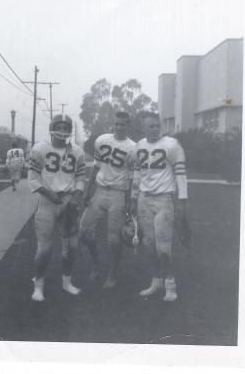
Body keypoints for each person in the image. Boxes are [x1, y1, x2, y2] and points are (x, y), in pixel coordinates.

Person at [130, 112, 188, 301]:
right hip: (144, 200)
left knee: (163, 247)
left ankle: (170, 285)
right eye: (150, 126)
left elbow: (180, 174)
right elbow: (137, 173)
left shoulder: (172, 144)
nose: (155, 129)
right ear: (143, 128)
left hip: (164, 199)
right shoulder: (139, 146)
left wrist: (182, 201)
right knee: (148, 244)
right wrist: (133, 197)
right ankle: (156, 281)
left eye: (157, 125)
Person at [28, 114, 86, 301]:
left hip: (68, 200)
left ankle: (67, 282)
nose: (62, 131)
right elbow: (33, 179)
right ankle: (38, 285)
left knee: (72, 247)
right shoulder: (40, 149)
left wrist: (77, 196)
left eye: (65, 128)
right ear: (52, 127)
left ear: (69, 130)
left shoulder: (77, 151)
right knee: (44, 248)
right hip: (47, 200)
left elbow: (80, 177)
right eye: (58, 127)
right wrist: (50, 194)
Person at [80, 111, 135, 288]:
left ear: (128, 125)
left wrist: (130, 202)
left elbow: (133, 178)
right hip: (100, 191)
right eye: (116, 124)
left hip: (118, 193)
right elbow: (95, 168)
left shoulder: (133, 147)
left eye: (123, 124)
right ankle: (96, 263)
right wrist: (88, 191)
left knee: (114, 239)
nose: (119, 127)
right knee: (84, 231)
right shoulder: (103, 140)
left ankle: (112, 273)